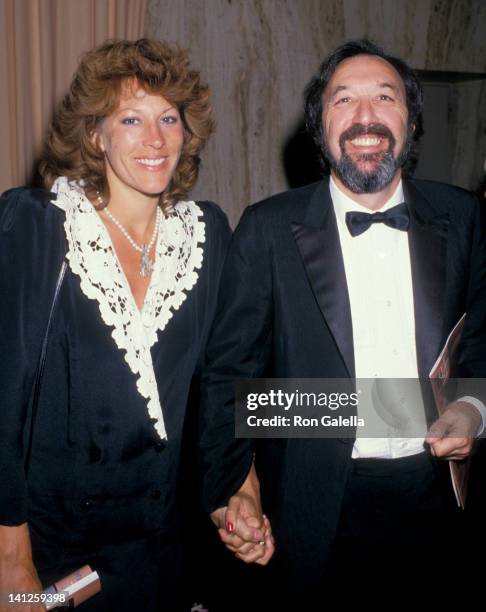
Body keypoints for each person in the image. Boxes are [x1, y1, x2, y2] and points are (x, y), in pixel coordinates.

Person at [199, 39, 486, 606]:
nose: (366, 116)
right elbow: (226, 375)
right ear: (318, 125)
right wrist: (234, 487)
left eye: (386, 97)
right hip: (310, 509)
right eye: (343, 100)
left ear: (410, 120)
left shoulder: (464, 215)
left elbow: (479, 336)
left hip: (440, 503)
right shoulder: (266, 227)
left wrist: (471, 407)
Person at [0, 38, 230, 611]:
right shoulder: (36, 224)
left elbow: (222, 384)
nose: (154, 139)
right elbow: (2, 407)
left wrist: (240, 482)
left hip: (164, 558)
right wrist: (11, 562)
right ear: (96, 134)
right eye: (131, 118)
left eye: (168, 118)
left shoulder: (206, 235)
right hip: (53, 561)